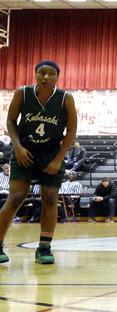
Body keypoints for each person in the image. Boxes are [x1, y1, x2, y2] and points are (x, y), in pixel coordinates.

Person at [0, 60, 78, 265]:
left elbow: (71, 132)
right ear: (35, 75)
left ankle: (44, 247)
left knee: (50, 197)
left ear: (57, 77)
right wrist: (17, 147)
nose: (46, 77)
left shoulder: (65, 99)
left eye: (51, 73)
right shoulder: (22, 93)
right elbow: (10, 122)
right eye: (41, 73)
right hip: (25, 149)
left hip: (51, 152)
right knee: (16, 196)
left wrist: (59, 159)